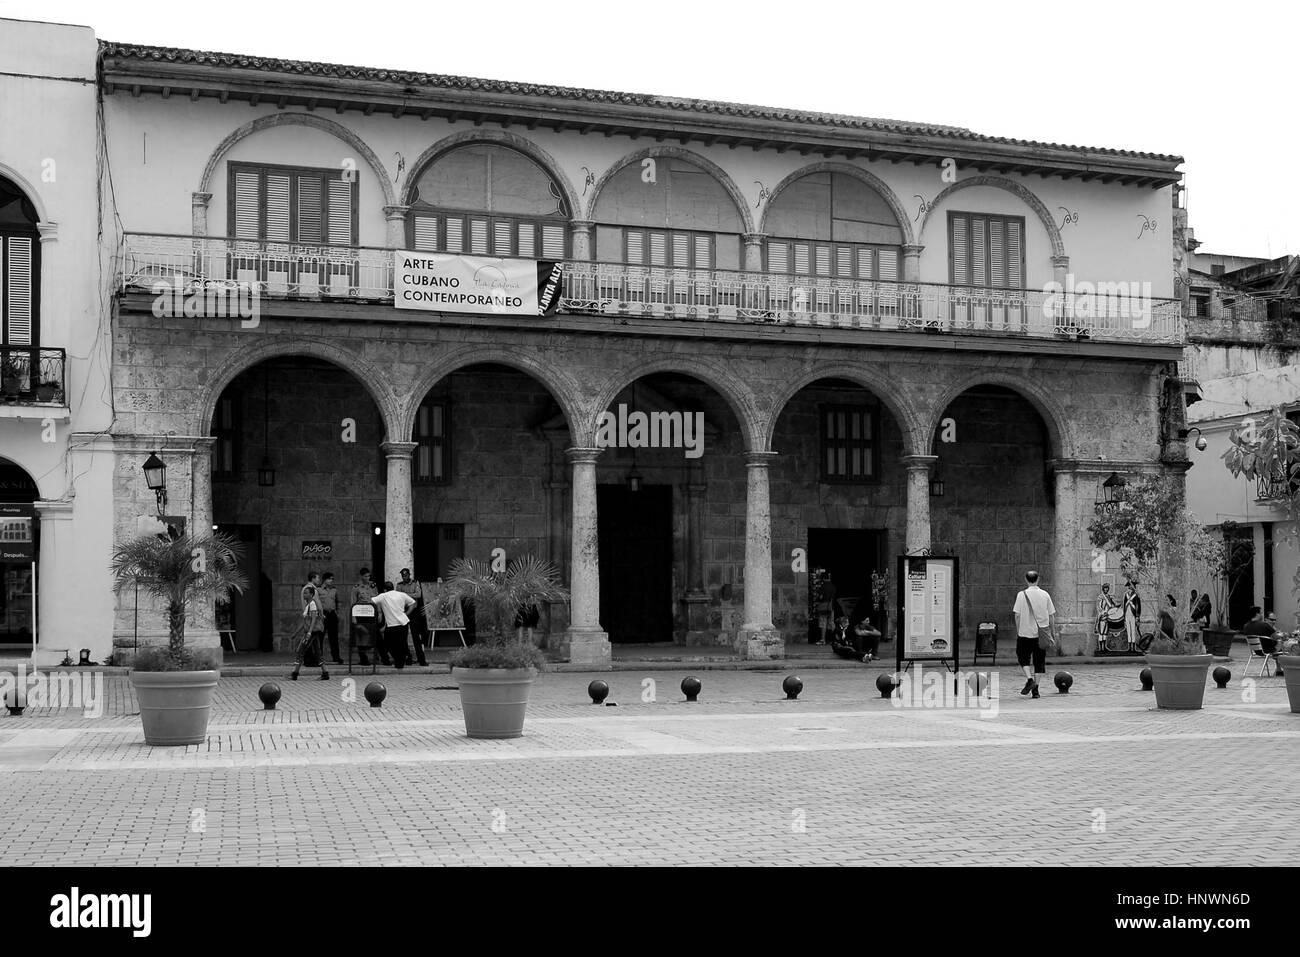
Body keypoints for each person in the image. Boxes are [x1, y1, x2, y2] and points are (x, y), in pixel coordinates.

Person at [1012, 570, 1056, 699]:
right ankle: (1036, 690)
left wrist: (1018, 629)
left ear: (1026, 580)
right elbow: (1051, 615)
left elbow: (1017, 615)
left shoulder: (1021, 595)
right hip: (1041, 634)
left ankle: (1029, 678)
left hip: (1025, 632)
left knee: (1022, 657)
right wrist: (1052, 633)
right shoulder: (1045, 595)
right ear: (1038, 579)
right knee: (1039, 661)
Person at [373, 581, 420, 669]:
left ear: (385, 589)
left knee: (388, 644)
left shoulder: (383, 595)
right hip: (403, 623)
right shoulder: (402, 594)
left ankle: (399, 660)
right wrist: (406, 613)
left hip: (392, 625)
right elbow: (413, 603)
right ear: (393, 587)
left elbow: (371, 601)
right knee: (402, 644)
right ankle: (400, 662)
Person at [290, 584, 329, 681]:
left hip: (311, 632)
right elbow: (304, 622)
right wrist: (295, 633)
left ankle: (294, 674)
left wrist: (309, 633)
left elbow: (314, 620)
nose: (304, 595)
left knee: (300, 650)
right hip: (311, 632)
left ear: (311, 594)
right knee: (317, 652)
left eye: (306, 593)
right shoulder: (308, 605)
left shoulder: (312, 604)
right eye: (304, 593)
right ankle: (325, 673)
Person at [352, 567, 388, 666]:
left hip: (371, 613)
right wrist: (354, 618)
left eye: (368, 576)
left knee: (378, 637)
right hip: (360, 614)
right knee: (361, 636)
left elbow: (377, 599)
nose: (368, 578)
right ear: (361, 576)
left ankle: (385, 659)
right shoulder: (356, 587)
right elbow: (353, 603)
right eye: (365, 576)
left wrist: (380, 612)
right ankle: (364, 659)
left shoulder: (373, 586)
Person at [397, 569, 427, 666]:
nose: (404, 577)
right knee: (403, 636)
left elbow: (418, 594)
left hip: (414, 612)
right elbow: (397, 596)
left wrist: (405, 595)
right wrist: (409, 596)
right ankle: (408, 658)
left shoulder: (415, 583)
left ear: (409, 575)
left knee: (416, 637)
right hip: (403, 611)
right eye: (403, 576)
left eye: (406, 575)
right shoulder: (399, 585)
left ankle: (421, 660)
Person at [1243, 606, 1284, 675]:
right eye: (1261, 613)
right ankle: (1280, 669)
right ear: (1257, 614)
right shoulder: (1264, 625)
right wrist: (1283, 635)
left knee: (1277, 644)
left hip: (1255, 650)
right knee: (1282, 644)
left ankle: (1279, 669)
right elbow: (1276, 636)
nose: (1262, 615)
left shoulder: (1246, 626)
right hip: (1267, 650)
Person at [318, 571, 342, 665]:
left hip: (332, 614)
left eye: (332, 579)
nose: (331, 581)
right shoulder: (318, 590)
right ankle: (319, 657)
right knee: (320, 636)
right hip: (322, 614)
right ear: (324, 580)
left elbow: (337, 602)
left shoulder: (334, 590)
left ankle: (336, 657)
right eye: (329, 579)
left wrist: (338, 613)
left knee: (334, 637)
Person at [813, 571, 838, 645]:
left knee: (823, 623)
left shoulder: (823, 586)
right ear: (829, 577)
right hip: (831, 607)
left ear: (823, 578)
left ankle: (823, 640)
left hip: (823, 607)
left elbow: (820, 597)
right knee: (831, 623)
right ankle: (834, 640)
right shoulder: (833, 586)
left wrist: (818, 599)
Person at [1123, 581, 1142, 652]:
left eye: (1132, 586)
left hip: (1133, 615)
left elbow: (1138, 606)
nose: (1130, 587)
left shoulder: (1136, 595)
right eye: (1130, 586)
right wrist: (1124, 616)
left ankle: (1133, 648)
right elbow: (1124, 604)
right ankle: (1129, 647)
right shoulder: (1126, 595)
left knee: (1133, 631)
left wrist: (1137, 616)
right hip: (1127, 614)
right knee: (1128, 631)